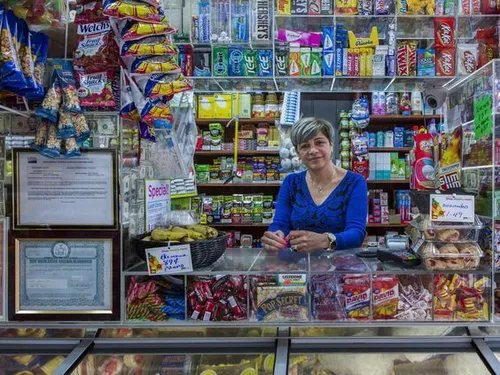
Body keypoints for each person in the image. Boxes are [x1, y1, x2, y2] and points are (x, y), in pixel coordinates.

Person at [261, 117, 368, 252]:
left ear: (331, 145)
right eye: (305, 146)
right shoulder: (291, 182)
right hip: (297, 266)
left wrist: (325, 240)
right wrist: (275, 236)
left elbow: (357, 233)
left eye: (319, 143)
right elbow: (280, 224)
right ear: (298, 153)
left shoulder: (354, 182)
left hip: (341, 266)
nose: (313, 150)